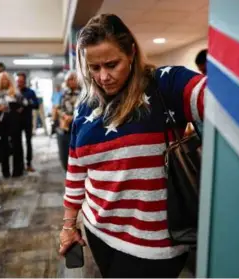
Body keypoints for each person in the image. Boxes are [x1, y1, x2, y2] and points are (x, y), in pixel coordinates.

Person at [58, 14, 206, 278]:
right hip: (99, 231)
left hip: (153, 244)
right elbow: (76, 170)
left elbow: (225, 101)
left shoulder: (166, 84)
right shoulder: (85, 107)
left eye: (112, 64)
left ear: (131, 52)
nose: (103, 77)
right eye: (94, 68)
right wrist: (69, 225)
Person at [0, 72, 24, 178]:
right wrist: (0, 109)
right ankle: (5, 171)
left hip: (14, 120)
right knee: (3, 145)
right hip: (2, 121)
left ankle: (17, 170)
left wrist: (13, 101)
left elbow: (22, 105)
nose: (5, 81)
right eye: (3, 79)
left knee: (16, 145)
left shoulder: (16, 92)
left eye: (7, 79)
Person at [56, 71, 80, 170]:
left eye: (74, 79)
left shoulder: (83, 93)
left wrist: (73, 117)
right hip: (67, 125)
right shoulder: (64, 94)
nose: (72, 81)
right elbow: (59, 108)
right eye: (70, 79)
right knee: (68, 149)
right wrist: (64, 116)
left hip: (79, 124)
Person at [16, 72, 39, 172]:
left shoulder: (30, 92)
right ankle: (19, 164)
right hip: (16, 121)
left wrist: (28, 103)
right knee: (17, 143)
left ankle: (29, 164)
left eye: (21, 81)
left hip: (27, 120)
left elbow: (36, 105)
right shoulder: (14, 92)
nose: (20, 83)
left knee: (28, 142)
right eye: (18, 81)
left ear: (25, 82)